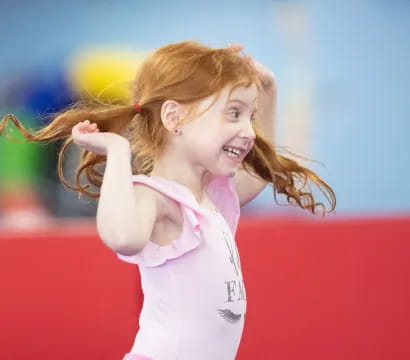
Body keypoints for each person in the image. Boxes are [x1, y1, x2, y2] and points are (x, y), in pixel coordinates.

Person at [0, 41, 336, 360]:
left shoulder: (208, 198)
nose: (249, 131)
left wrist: (270, 90)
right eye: (234, 114)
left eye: (250, 116)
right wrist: (117, 151)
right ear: (173, 118)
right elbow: (123, 237)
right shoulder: (156, 196)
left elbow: (259, 175)